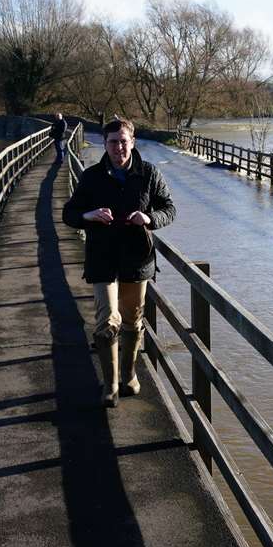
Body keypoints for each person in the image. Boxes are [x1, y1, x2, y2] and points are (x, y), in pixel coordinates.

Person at [62, 117, 176, 406]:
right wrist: (88, 215)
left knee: (132, 320)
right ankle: (110, 385)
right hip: (102, 259)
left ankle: (128, 376)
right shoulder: (91, 177)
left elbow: (169, 208)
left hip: (137, 260)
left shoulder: (149, 174)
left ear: (133, 142)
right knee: (107, 319)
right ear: (105, 144)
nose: (119, 147)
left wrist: (149, 218)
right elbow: (70, 213)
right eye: (113, 142)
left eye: (124, 141)